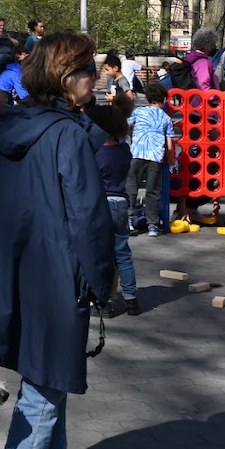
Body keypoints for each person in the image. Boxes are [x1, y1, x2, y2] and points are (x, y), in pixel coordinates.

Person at [0, 28, 117, 449]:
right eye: (89, 69)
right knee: (47, 381)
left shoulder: (4, 127)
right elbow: (89, 217)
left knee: (46, 375)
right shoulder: (68, 134)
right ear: (66, 77)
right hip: (53, 274)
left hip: (8, 272)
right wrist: (103, 281)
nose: (96, 77)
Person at [83, 90, 140, 316]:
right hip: (121, 204)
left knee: (102, 255)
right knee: (123, 253)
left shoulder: (95, 153)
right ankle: (132, 298)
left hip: (101, 204)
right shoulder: (124, 149)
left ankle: (104, 300)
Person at [127, 84, 172, 236]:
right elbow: (169, 144)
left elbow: (127, 124)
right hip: (155, 157)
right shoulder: (166, 118)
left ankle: (129, 218)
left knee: (132, 186)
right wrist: (171, 160)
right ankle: (152, 225)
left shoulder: (139, 112)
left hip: (138, 153)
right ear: (164, 100)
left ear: (148, 98)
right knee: (153, 191)